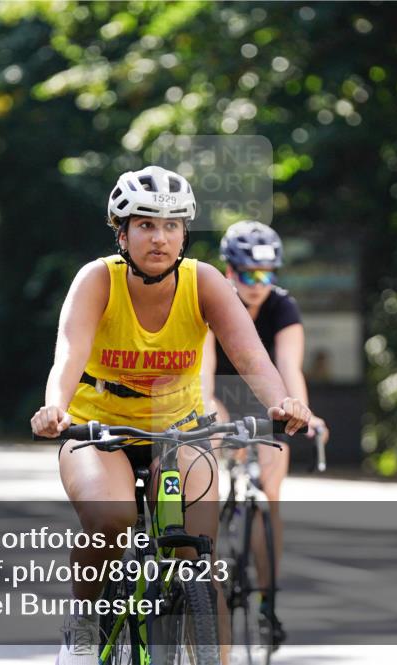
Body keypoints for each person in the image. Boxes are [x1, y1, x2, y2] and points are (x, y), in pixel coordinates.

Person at [30, 166, 311, 665]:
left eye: (171, 226)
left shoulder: (203, 282)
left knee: (199, 558)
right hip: (100, 430)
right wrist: (55, 405)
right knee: (112, 519)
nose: (159, 238)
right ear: (121, 233)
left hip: (182, 431)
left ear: (184, 234)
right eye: (145, 225)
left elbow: (250, 355)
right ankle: (84, 624)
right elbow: (69, 354)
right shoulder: (98, 279)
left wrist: (282, 401)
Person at [201, 220, 330, 646]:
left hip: (264, 401)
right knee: (204, 472)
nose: (258, 284)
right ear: (229, 271)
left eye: (267, 274)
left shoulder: (282, 307)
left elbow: (290, 367)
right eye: (248, 274)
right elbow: (203, 374)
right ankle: (202, 573)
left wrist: (303, 413)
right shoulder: (211, 302)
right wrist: (211, 414)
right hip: (216, 397)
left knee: (269, 495)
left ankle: (267, 601)